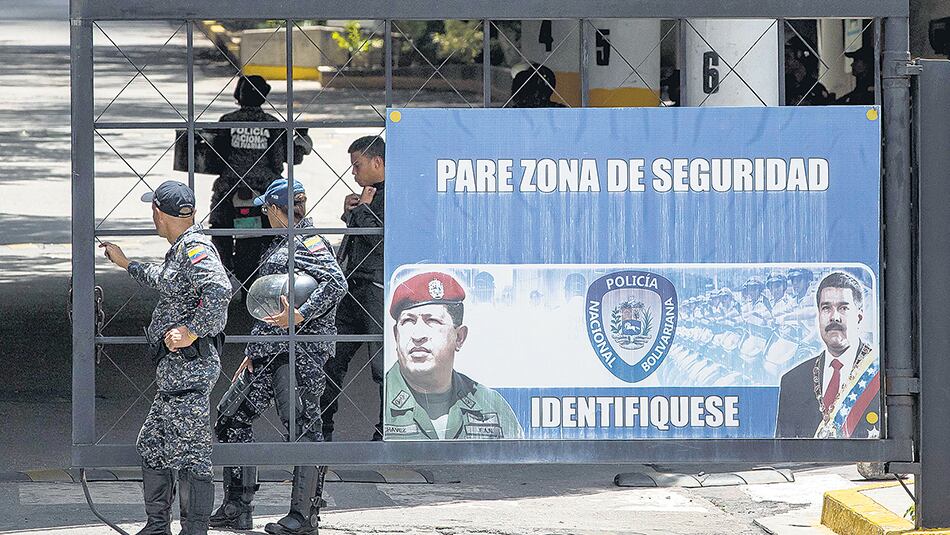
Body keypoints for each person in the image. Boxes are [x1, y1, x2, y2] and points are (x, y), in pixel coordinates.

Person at [212, 179, 347, 535]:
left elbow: (336, 283)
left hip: (299, 355)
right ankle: (237, 507)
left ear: (275, 209)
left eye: (265, 210)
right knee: (231, 417)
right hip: (268, 353)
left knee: (304, 430)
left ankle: (304, 517)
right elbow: (270, 305)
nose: (264, 216)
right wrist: (253, 350)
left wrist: (301, 315)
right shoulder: (283, 242)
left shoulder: (309, 242)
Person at [99, 181, 230, 535]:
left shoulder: (196, 249)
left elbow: (219, 290)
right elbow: (168, 282)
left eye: (152, 210)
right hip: (175, 374)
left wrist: (192, 330)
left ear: (158, 212)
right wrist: (127, 263)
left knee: (193, 457)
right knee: (153, 445)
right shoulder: (182, 249)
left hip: (190, 370)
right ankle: (157, 525)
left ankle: (194, 530)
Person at [384, 271, 524, 440]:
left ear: (459, 337)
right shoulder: (378, 401)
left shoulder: (490, 405)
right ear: (395, 334)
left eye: (432, 321)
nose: (417, 335)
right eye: (408, 321)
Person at [320, 136, 386, 441]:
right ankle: (320, 425)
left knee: (383, 367)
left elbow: (381, 240)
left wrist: (361, 211)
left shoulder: (395, 195)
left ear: (377, 162)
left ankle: (388, 430)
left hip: (377, 290)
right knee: (331, 357)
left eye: (357, 166)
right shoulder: (368, 197)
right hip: (353, 289)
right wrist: (352, 211)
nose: (354, 173)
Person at [208, 75, 287, 297]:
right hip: (264, 189)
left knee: (219, 230)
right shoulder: (272, 124)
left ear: (238, 94)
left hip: (229, 187)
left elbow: (216, 159)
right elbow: (277, 161)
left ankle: (225, 268)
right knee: (274, 233)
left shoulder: (226, 121)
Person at [776, 272, 880, 438]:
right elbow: (782, 457)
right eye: (826, 308)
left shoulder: (880, 376)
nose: (834, 317)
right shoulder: (793, 381)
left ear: (859, 317)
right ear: (818, 316)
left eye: (843, 308)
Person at [784, 36, 833, 106]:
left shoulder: (816, 89)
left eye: (787, 56)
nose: (783, 61)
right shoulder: (781, 86)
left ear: (801, 59)